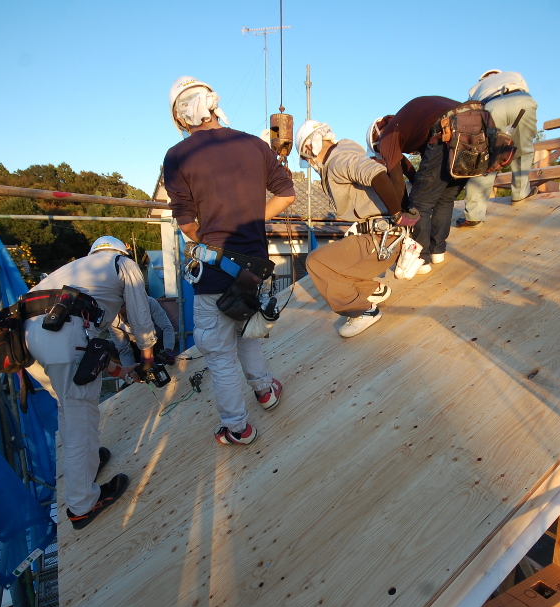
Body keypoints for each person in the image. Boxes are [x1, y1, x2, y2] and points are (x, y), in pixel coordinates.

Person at [162, 76, 295, 446]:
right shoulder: (254, 145)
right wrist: (252, 218)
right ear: (214, 104)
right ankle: (265, 391)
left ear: (181, 117)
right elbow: (287, 194)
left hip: (217, 267)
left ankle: (238, 427)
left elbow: (188, 225)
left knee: (219, 353)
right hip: (254, 263)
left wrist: (217, 236)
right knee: (247, 329)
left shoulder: (178, 156)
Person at [23, 235, 157, 530]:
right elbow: (140, 317)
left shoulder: (78, 270)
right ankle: (82, 505)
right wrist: (147, 357)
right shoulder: (121, 263)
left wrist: (120, 371)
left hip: (27, 337)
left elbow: (82, 343)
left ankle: (90, 461)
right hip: (59, 334)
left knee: (68, 406)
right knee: (81, 414)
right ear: (121, 251)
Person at [297, 119, 409, 338]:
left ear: (311, 147)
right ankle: (373, 289)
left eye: (306, 156)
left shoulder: (338, 160)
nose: (309, 162)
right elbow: (391, 169)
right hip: (384, 239)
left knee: (316, 261)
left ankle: (363, 311)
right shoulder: (346, 154)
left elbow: (375, 174)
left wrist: (397, 214)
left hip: (379, 240)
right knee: (336, 263)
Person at [368, 95, 467, 271]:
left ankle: (420, 259)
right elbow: (413, 171)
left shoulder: (387, 137)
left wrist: (400, 212)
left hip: (447, 131)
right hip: (472, 133)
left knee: (419, 204)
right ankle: (438, 252)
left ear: (377, 138)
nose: (381, 154)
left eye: (378, 150)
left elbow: (397, 180)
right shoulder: (411, 128)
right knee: (444, 197)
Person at [458, 70, 539, 228]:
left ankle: (474, 216)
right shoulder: (514, 75)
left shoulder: (476, 88)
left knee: (485, 158)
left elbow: (471, 111)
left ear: (483, 78)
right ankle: (520, 193)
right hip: (521, 99)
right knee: (524, 149)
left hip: (491, 105)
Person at [111, 296, 177, 367]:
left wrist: (168, 350)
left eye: (126, 311)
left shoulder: (149, 302)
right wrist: (131, 370)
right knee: (109, 347)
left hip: (155, 344)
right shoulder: (111, 318)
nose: (126, 316)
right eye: (122, 314)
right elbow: (123, 349)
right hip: (135, 348)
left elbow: (166, 327)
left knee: (156, 332)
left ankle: (158, 362)